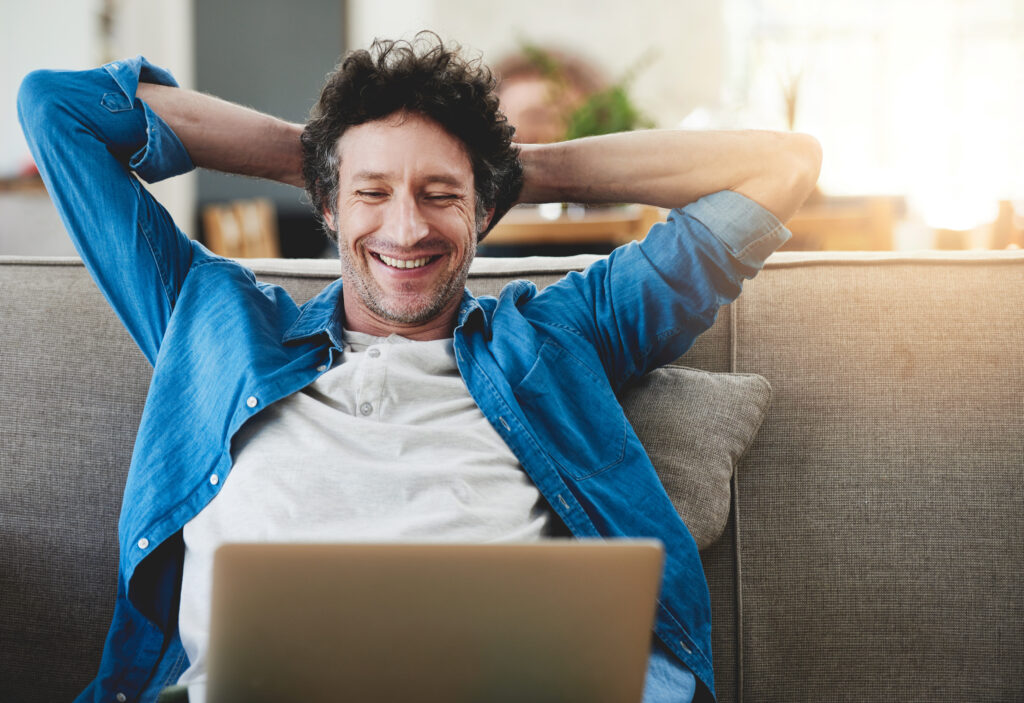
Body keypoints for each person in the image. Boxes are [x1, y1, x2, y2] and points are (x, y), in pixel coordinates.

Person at [18, 34, 820, 703]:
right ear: (327, 205)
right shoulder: (210, 321)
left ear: (481, 211)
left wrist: (513, 169)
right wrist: (319, 156)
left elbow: (782, 165)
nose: (406, 227)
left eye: (441, 193)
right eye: (372, 192)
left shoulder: (560, 336)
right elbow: (58, 109)